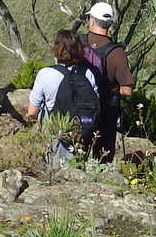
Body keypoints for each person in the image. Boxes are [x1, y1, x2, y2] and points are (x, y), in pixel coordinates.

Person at [26, 29, 102, 166]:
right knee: (76, 166)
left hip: (55, 131)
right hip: (81, 130)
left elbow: (32, 112)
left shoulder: (45, 74)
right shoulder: (88, 74)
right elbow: (95, 104)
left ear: (56, 49)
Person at [82, 1, 134, 161]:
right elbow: (127, 91)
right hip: (106, 112)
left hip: (80, 107)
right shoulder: (117, 52)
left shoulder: (77, 43)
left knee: (76, 154)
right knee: (103, 159)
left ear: (91, 20)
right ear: (109, 24)